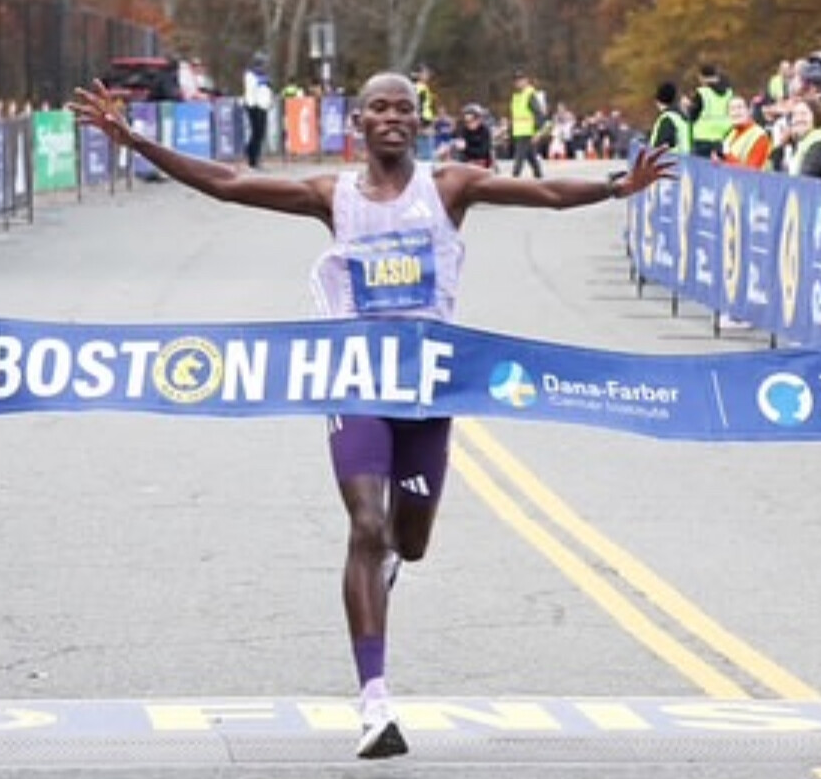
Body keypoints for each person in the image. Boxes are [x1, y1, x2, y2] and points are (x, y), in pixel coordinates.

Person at [67, 71, 674, 760]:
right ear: (357, 122)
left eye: (404, 109)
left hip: (428, 390)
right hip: (354, 378)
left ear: (419, 121)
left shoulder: (449, 187)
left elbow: (544, 194)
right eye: (379, 108)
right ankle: (375, 700)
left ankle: (390, 563)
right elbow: (229, 183)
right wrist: (135, 140)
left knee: (408, 543)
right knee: (364, 524)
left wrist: (615, 187)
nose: (393, 117)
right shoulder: (334, 196)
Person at [688, 64, 733, 158]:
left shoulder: (702, 92)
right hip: (722, 139)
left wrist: (688, 108)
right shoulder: (729, 93)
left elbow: (692, 116)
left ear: (701, 78)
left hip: (702, 140)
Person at [509, 68, 547, 178]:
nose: (518, 83)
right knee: (531, 158)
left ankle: (514, 180)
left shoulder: (529, 95)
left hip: (527, 132)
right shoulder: (516, 96)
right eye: (516, 80)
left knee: (519, 158)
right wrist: (510, 130)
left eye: (521, 80)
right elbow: (515, 116)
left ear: (526, 81)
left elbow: (539, 113)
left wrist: (537, 131)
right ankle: (539, 177)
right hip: (519, 132)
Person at [242, 52, 273, 170]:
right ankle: (252, 159)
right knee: (256, 133)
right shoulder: (250, 75)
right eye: (263, 64)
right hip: (254, 107)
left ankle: (256, 157)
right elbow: (251, 91)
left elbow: (266, 92)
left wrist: (268, 102)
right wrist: (254, 105)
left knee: (260, 134)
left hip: (263, 107)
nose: (265, 67)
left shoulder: (265, 77)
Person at [649, 82, 690, 155]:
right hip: (684, 159)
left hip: (669, 160)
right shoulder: (681, 118)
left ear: (657, 100)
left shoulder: (667, 119)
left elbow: (662, 145)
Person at [452, 103, 494, 168]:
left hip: (483, 163)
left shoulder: (485, 130)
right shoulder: (464, 130)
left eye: (471, 121)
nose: (468, 124)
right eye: (466, 121)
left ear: (479, 120)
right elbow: (460, 150)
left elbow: (483, 152)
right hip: (467, 163)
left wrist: (466, 148)